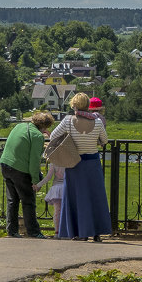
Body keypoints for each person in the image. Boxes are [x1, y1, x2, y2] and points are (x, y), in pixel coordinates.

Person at [51, 92, 111, 241]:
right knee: (95, 197)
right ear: (87, 106)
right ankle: (96, 233)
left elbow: (53, 136)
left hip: (74, 163)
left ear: (74, 105)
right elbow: (104, 140)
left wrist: (69, 140)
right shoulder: (97, 122)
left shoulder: (68, 121)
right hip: (93, 164)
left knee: (76, 198)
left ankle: (78, 233)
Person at [0, 111, 55, 238]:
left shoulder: (19, 126)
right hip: (19, 170)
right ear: (45, 126)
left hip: (5, 164)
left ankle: (12, 231)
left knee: (12, 200)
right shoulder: (37, 136)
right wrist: (36, 181)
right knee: (28, 201)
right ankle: (34, 232)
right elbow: (34, 162)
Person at [34, 162, 65, 237]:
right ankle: (66, 231)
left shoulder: (54, 162)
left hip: (57, 189)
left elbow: (48, 177)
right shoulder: (69, 161)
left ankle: (57, 232)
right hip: (67, 188)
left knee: (57, 211)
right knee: (67, 211)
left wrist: (38, 185)